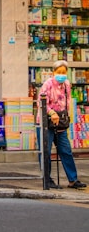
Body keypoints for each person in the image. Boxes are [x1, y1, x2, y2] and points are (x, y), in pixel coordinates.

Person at [37, 60, 87, 189]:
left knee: (66, 150)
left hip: (60, 123)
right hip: (46, 122)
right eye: (59, 72)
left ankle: (73, 179)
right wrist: (51, 112)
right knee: (46, 151)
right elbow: (41, 102)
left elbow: (68, 101)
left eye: (64, 72)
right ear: (54, 72)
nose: (61, 75)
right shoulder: (47, 84)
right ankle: (47, 180)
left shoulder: (66, 84)